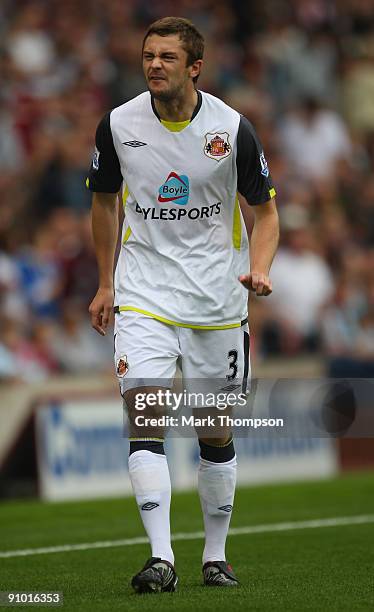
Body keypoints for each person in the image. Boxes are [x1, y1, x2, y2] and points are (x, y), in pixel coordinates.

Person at [87, 16, 279, 593]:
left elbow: (265, 212)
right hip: (144, 289)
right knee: (145, 414)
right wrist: (105, 283)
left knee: (213, 430)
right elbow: (102, 205)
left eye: (167, 57)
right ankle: (161, 558)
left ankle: (214, 558)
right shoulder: (119, 124)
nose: (154, 65)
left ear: (195, 67)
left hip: (217, 297)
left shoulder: (232, 129)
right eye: (148, 55)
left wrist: (261, 268)